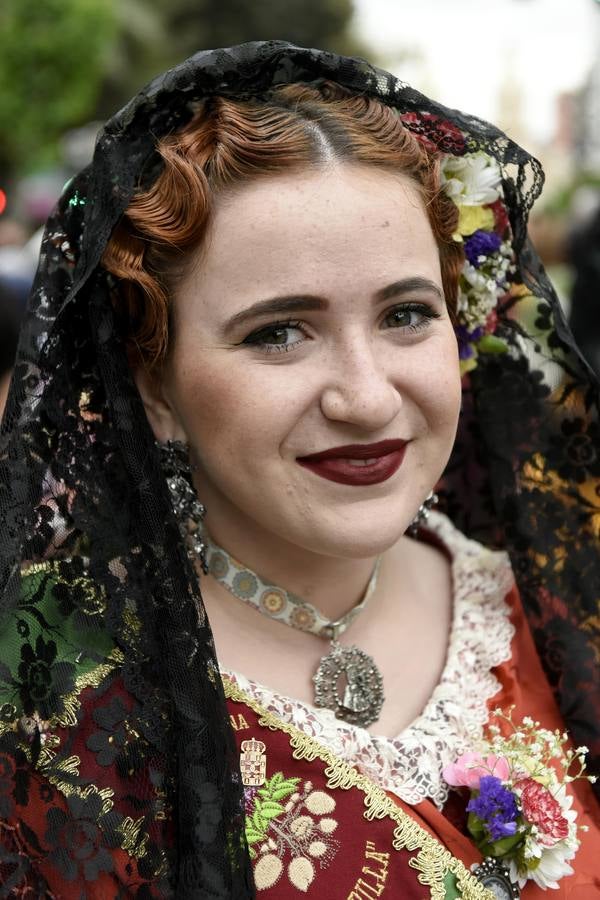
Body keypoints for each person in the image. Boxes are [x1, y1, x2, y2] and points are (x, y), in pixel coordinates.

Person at [0, 42, 598, 899]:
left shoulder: (545, 608)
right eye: (278, 332)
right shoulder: (52, 693)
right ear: (153, 385)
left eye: (406, 313)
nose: (365, 397)